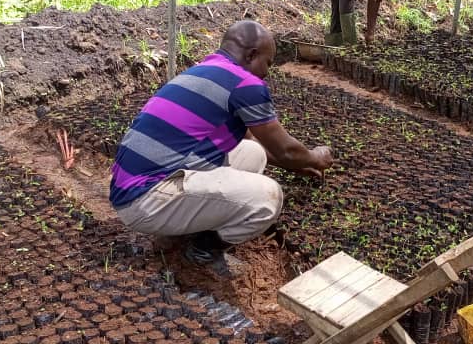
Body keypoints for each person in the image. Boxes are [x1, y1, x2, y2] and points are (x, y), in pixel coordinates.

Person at [109, 20, 334, 276]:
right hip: (144, 200)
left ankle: (190, 224)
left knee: (254, 153)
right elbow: (286, 150)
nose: (267, 73)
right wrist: (315, 158)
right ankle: (202, 250)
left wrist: (298, 164)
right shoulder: (246, 83)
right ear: (251, 55)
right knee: (268, 198)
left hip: (135, 186)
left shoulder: (204, 70)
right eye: (268, 63)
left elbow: (266, 147)